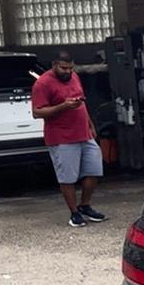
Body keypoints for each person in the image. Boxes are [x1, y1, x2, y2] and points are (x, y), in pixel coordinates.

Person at [30, 51, 106, 228]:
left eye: (71, 68)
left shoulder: (74, 77)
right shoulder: (43, 83)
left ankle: (85, 205)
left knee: (95, 170)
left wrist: (90, 124)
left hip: (83, 133)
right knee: (67, 177)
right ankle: (74, 213)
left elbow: (82, 102)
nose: (67, 71)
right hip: (61, 137)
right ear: (54, 65)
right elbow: (37, 112)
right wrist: (63, 106)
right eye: (64, 68)